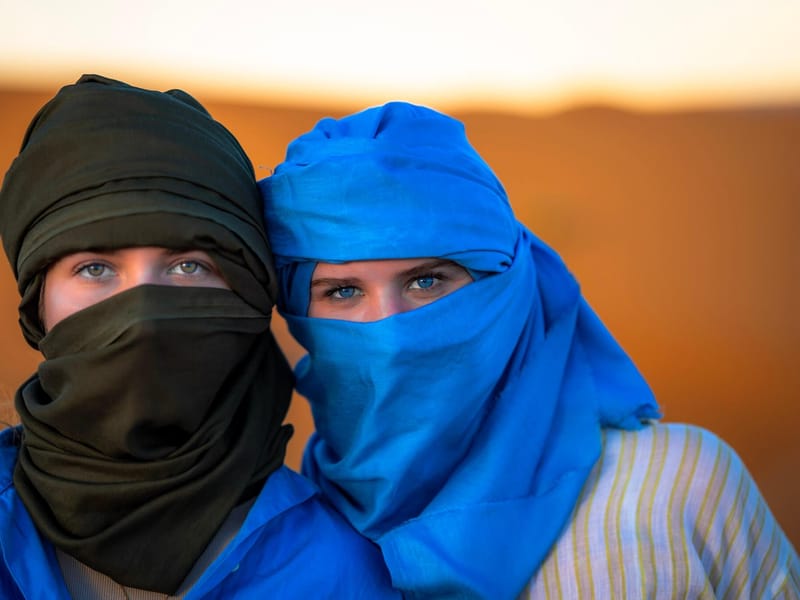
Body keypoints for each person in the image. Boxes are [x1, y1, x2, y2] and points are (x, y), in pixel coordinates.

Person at [259, 101, 800, 599]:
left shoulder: (673, 485)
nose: (392, 330)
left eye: (428, 281)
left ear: (507, 286)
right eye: (343, 292)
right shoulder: (281, 545)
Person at [0, 75, 399, 599]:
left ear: (249, 294)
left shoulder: (340, 571)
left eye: (188, 266)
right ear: (37, 307)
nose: (143, 312)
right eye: (95, 269)